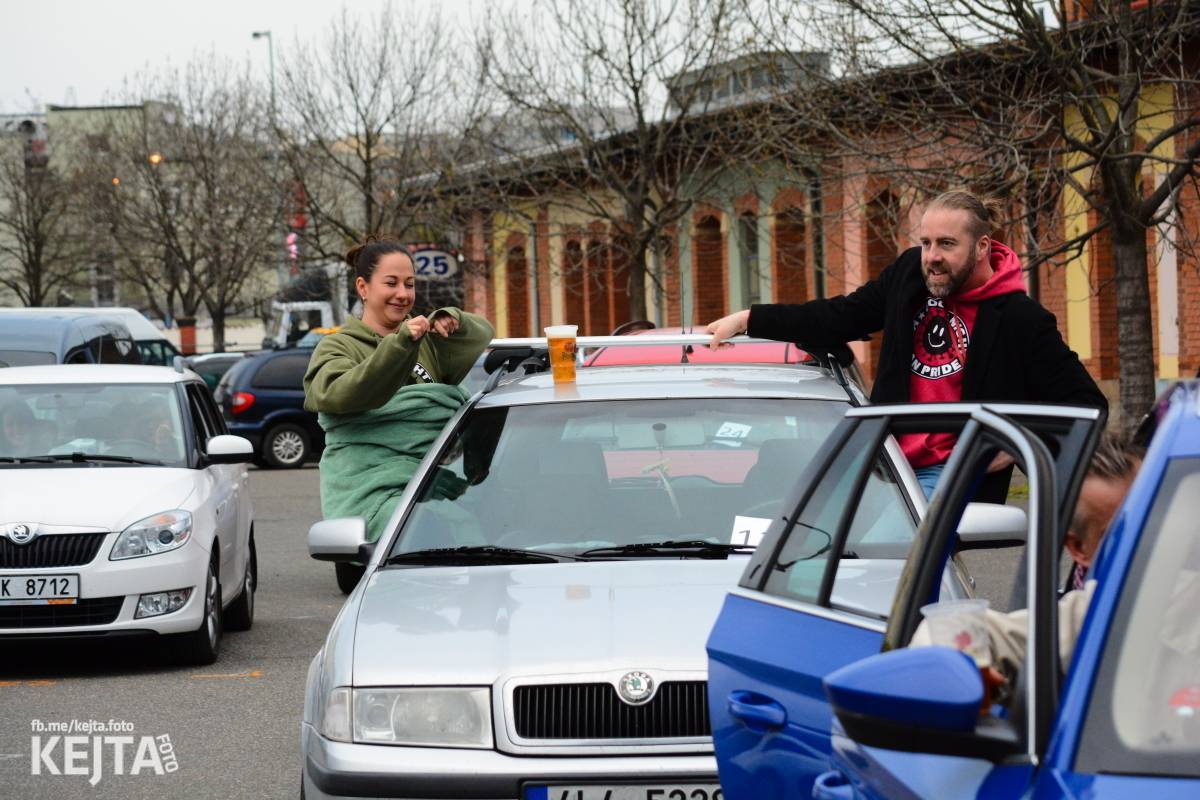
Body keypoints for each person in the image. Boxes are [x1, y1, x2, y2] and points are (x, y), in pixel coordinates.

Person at [706, 190, 1107, 501]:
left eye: (947, 244)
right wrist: (749, 319)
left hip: (951, 469)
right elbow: (838, 317)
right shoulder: (906, 278)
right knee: (807, 539)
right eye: (926, 242)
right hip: (884, 458)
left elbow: (1086, 405)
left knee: (897, 565)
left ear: (982, 247)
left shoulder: (1020, 317)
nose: (931, 257)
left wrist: (1018, 438)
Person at [303, 238, 494, 550]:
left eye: (410, 284)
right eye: (391, 283)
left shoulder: (427, 343)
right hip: (373, 489)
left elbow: (481, 334)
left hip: (430, 484)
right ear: (363, 287)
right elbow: (336, 395)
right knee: (430, 529)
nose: (403, 294)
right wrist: (401, 344)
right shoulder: (339, 346)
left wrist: (450, 317)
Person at [912, 433, 1142, 687]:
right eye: (1122, 532)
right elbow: (946, 633)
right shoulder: (1100, 612)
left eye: (1158, 516)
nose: (1150, 539)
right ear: (1079, 549)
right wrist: (965, 675)